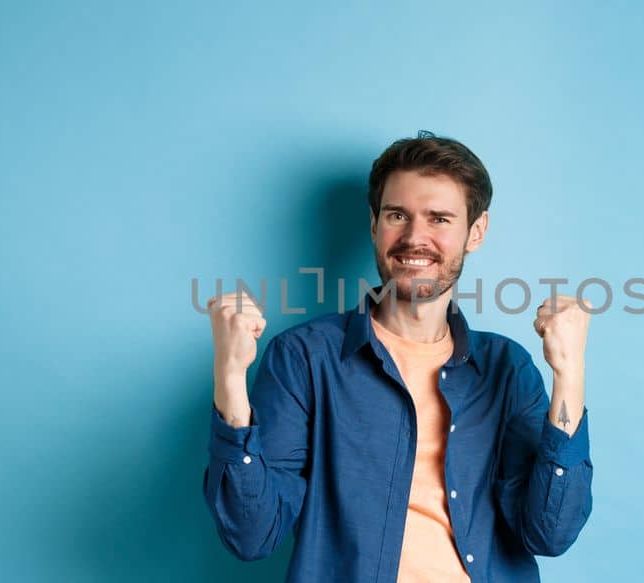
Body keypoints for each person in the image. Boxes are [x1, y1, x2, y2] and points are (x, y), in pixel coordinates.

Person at [202, 131, 594, 582]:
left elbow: (550, 534)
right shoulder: (304, 358)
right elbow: (251, 536)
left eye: (440, 219)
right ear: (374, 224)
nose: (414, 238)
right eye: (397, 215)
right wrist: (230, 376)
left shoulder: (507, 368)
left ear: (476, 232)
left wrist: (570, 373)